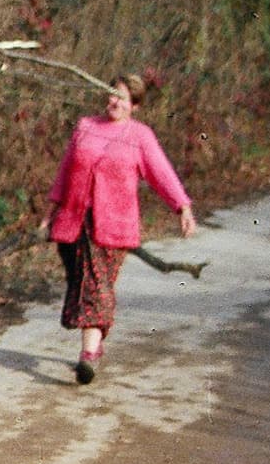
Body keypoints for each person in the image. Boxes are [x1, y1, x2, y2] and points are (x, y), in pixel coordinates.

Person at [40, 73, 197, 384]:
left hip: (113, 225)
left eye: (123, 98)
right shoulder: (85, 127)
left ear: (135, 105)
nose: (115, 102)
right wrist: (50, 213)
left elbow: (161, 173)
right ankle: (95, 344)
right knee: (82, 284)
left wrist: (182, 207)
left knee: (96, 285)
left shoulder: (140, 136)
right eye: (112, 94)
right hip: (74, 222)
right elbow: (65, 171)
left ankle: (88, 355)